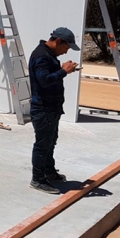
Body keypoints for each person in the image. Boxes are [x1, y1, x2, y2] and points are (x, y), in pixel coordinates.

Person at [29, 27, 81, 194]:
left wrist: (62, 70)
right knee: (43, 144)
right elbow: (44, 80)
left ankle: (49, 172)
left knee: (50, 141)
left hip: (51, 108)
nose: (66, 52)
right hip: (43, 109)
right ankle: (37, 179)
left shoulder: (48, 55)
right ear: (58, 41)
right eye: (66, 47)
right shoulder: (42, 56)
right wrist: (63, 71)